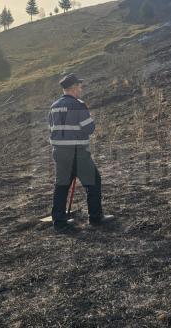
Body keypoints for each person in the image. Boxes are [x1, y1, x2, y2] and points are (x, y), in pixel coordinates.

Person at [48, 73, 114, 230]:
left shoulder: (54, 106)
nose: (81, 89)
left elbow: (52, 129)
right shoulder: (78, 104)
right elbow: (89, 128)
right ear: (73, 88)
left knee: (61, 185)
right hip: (77, 152)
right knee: (93, 182)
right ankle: (96, 218)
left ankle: (59, 221)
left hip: (58, 151)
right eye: (79, 86)